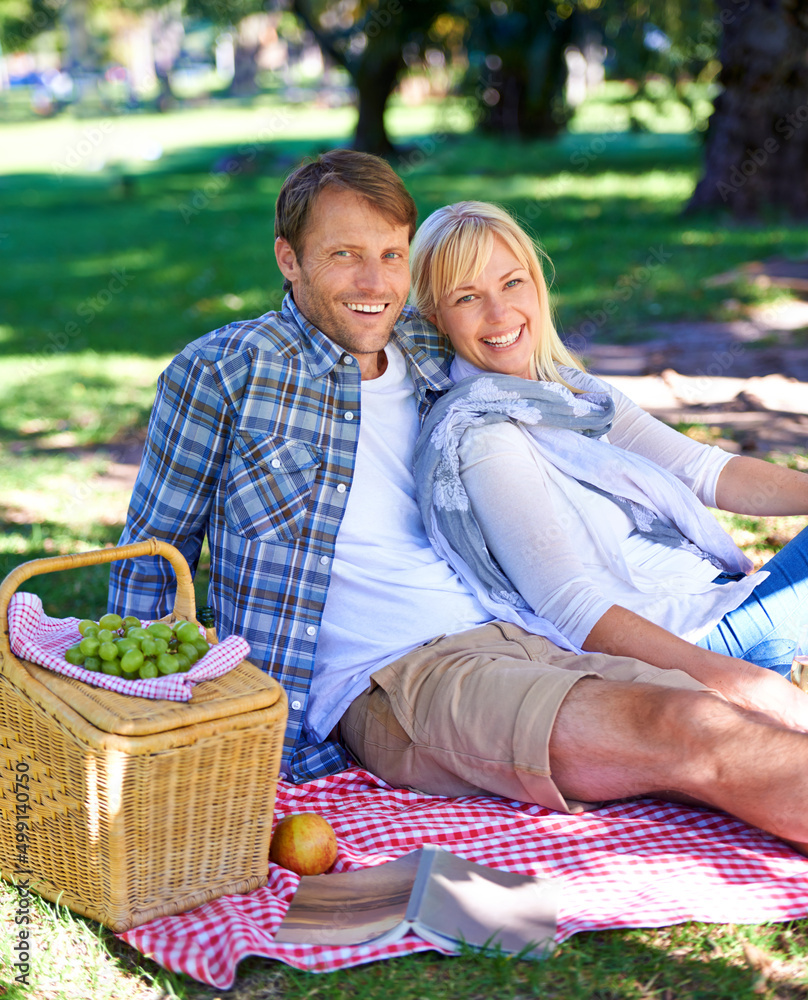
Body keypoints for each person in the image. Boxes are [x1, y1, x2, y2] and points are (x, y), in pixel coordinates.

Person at [110, 152, 808, 853]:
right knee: (683, 730)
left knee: (714, 707)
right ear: (289, 259)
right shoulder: (226, 371)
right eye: (343, 255)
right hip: (399, 678)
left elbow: (535, 358)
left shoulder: (428, 348)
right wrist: (136, 746)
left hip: (518, 633)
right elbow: (151, 560)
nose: (373, 282)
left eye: (390, 255)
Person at [409, 200, 808, 683]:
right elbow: (571, 607)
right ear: (436, 319)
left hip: (712, 597)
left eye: (512, 283)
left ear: (537, 286)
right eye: (467, 297)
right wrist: (735, 680)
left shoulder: (570, 393)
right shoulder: (484, 436)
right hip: (698, 642)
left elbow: (705, 470)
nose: (499, 312)